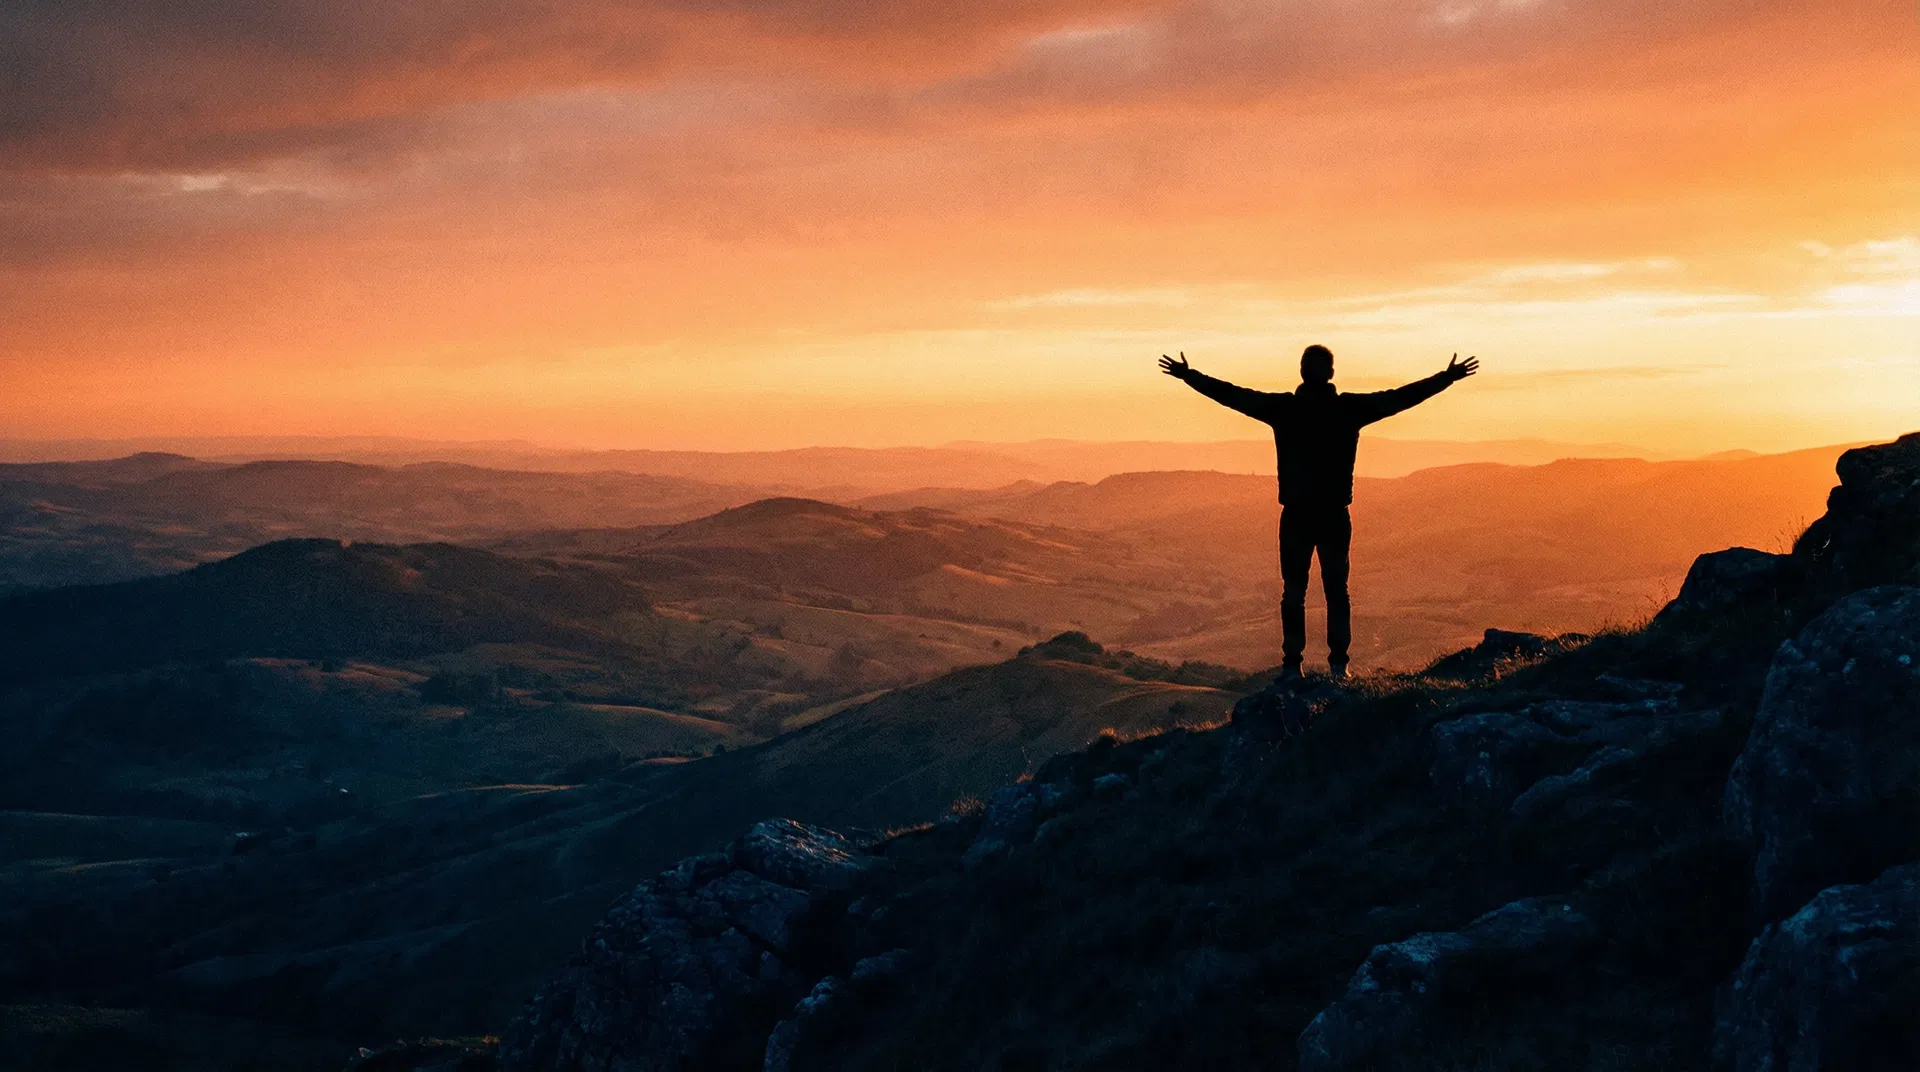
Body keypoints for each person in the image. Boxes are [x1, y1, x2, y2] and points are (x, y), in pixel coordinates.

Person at [1159, 345, 1478, 680]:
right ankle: (1339, 666)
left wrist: (1188, 376)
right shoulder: (1349, 409)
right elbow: (1400, 397)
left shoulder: (1284, 409)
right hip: (1333, 516)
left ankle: (1292, 665)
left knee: (1294, 592)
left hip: (1296, 516)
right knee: (1336, 591)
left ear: (1301, 372)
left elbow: (1232, 395)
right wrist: (1446, 378)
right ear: (1332, 374)